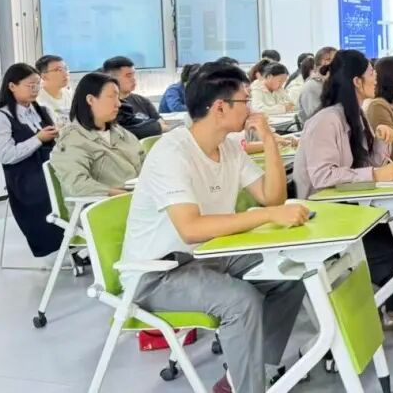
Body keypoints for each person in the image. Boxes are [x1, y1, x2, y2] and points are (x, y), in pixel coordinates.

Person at [120, 63, 308, 393]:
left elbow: (272, 197)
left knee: (289, 274)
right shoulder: (172, 152)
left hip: (209, 255)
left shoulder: (228, 147)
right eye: (245, 100)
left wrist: (269, 141)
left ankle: (247, 375)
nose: (251, 108)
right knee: (241, 301)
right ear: (220, 108)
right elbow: (191, 228)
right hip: (158, 272)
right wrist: (267, 216)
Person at [293, 50, 393, 326]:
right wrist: (376, 174)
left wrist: (381, 142)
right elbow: (323, 176)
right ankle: (390, 307)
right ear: (357, 81)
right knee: (390, 248)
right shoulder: (326, 120)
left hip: (347, 207)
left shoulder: (354, 115)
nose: (375, 79)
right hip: (322, 215)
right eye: (371, 73)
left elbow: (365, 164)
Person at [0, 63, 63, 257]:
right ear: (12, 86)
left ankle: (79, 240)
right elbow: (6, 155)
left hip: (50, 168)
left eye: (38, 85)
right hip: (25, 179)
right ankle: (67, 243)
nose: (35, 89)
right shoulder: (0, 118)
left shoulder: (42, 110)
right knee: (58, 192)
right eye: (30, 85)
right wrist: (38, 139)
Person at [51, 72, 143, 197]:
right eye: (111, 97)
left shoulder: (120, 132)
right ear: (90, 100)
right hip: (107, 203)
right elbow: (77, 185)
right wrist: (126, 197)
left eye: (118, 97)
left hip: (138, 197)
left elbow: (144, 162)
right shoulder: (72, 139)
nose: (119, 104)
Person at [103, 56, 166, 140]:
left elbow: (162, 124)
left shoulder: (143, 101)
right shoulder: (107, 106)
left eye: (134, 75)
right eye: (128, 76)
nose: (133, 79)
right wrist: (153, 128)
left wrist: (156, 127)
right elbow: (121, 134)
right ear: (112, 79)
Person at [35, 55, 72, 127]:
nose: (66, 73)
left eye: (65, 68)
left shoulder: (70, 94)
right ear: (44, 76)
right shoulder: (37, 99)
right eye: (59, 70)